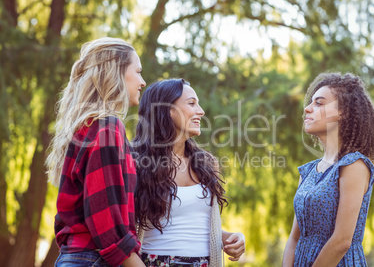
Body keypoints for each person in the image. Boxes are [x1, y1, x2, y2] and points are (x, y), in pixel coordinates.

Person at [46, 37, 146, 267]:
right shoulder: (107, 126)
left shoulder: (89, 126)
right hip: (92, 259)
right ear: (116, 72)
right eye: (138, 71)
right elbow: (105, 219)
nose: (142, 81)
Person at [133, 78, 246, 267]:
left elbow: (200, 228)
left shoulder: (206, 164)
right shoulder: (137, 163)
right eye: (192, 103)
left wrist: (232, 238)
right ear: (167, 110)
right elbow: (121, 232)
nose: (200, 111)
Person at [282, 72, 374, 266]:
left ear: (343, 112)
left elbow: (341, 241)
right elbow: (294, 239)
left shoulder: (354, 165)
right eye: (311, 103)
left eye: (319, 103)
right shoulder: (308, 172)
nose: (307, 109)